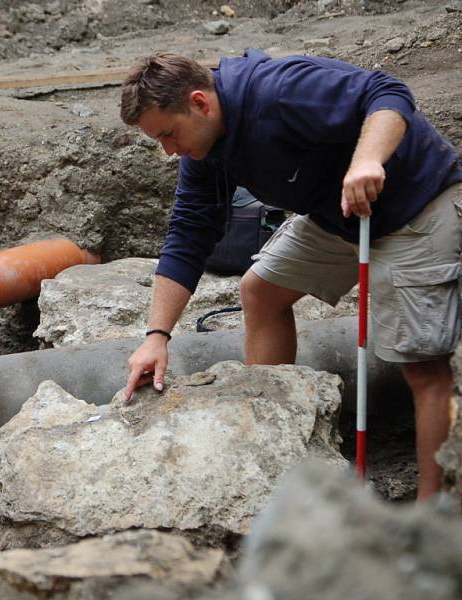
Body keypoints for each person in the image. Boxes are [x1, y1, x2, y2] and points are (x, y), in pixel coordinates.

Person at [120, 51, 462, 500]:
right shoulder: (203, 150)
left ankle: (431, 518)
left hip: (416, 204)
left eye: (168, 134)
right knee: (261, 291)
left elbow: (388, 91)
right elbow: (188, 232)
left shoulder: (280, 90)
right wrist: (157, 334)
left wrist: (367, 160)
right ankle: (272, 450)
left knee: (421, 365)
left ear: (200, 103)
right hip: (338, 211)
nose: (169, 150)